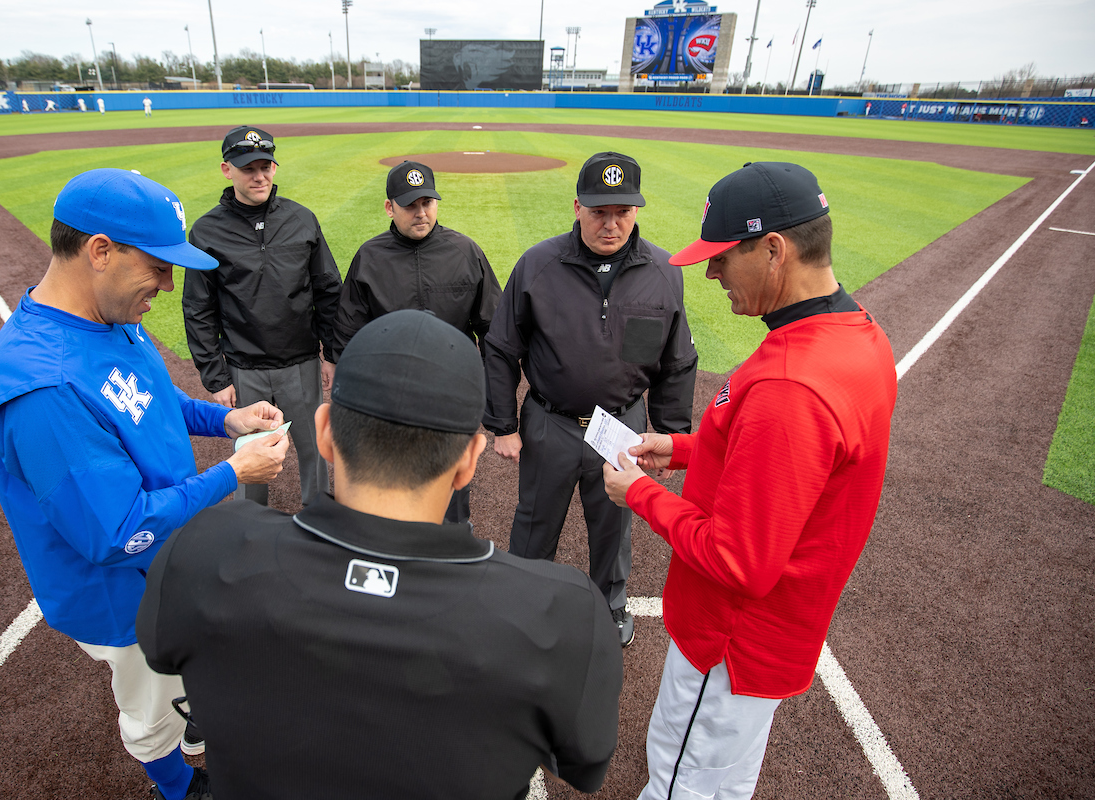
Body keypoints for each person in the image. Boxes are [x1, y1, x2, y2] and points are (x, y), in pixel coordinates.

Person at [138, 310, 624, 799]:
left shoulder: (205, 550)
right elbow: (585, 765)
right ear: (469, 461)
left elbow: (159, 649)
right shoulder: (566, 615)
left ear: (324, 432)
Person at [0, 168, 292, 800]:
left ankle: (196, 710)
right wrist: (236, 471)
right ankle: (178, 787)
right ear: (100, 251)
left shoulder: (108, 314)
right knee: (152, 711)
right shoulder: (44, 388)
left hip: (168, 555)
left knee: (205, 655)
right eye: (157, 265)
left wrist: (225, 418)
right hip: (121, 596)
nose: (167, 285)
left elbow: (154, 401)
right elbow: (116, 533)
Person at [602, 162, 899, 800]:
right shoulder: (857, 334)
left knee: (684, 783)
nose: (710, 274)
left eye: (720, 258)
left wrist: (641, 494)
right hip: (773, 631)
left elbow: (740, 560)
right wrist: (680, 448)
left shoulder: (792, 384)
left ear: (773, 250)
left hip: (729, 638)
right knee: (725, 779)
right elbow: (786, 456)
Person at [484, 151, 698, 647]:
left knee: (613, 527)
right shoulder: (538, 264)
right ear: (577, 206)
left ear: (637, 211)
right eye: (599, 211)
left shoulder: (665, 271)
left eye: (622, 211)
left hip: (621, 425)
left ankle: (609, 610)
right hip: (549, 422)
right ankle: (525, 606)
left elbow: (677, 361)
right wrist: (504, 424)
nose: (611, 223)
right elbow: (500, 347)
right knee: (535, 524)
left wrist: (669, 434)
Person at [332, 160, 502, 523]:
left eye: (427, 202)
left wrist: (487, 386)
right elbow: (349, 331)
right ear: (389, 207)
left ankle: (452, 555)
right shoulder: (370, 257)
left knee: (451, 493)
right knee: (383, 488)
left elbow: (492, 327)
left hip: (450, 393)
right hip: (386, 396)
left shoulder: (465, 252)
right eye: (410, 205)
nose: (421, 212)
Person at [184, 125, 342, 508]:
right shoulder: (207, 231)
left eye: (265, 167)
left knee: (315, 453)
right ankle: (249, 522)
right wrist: (216, 376)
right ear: (227, 170)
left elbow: (327, 290)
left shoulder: (302, 219)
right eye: (248, 168)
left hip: (301, 363)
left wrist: (332, 355)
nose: (259, 176)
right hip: (244, 368)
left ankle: (317, 518)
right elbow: (198, 308)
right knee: (250, 459)